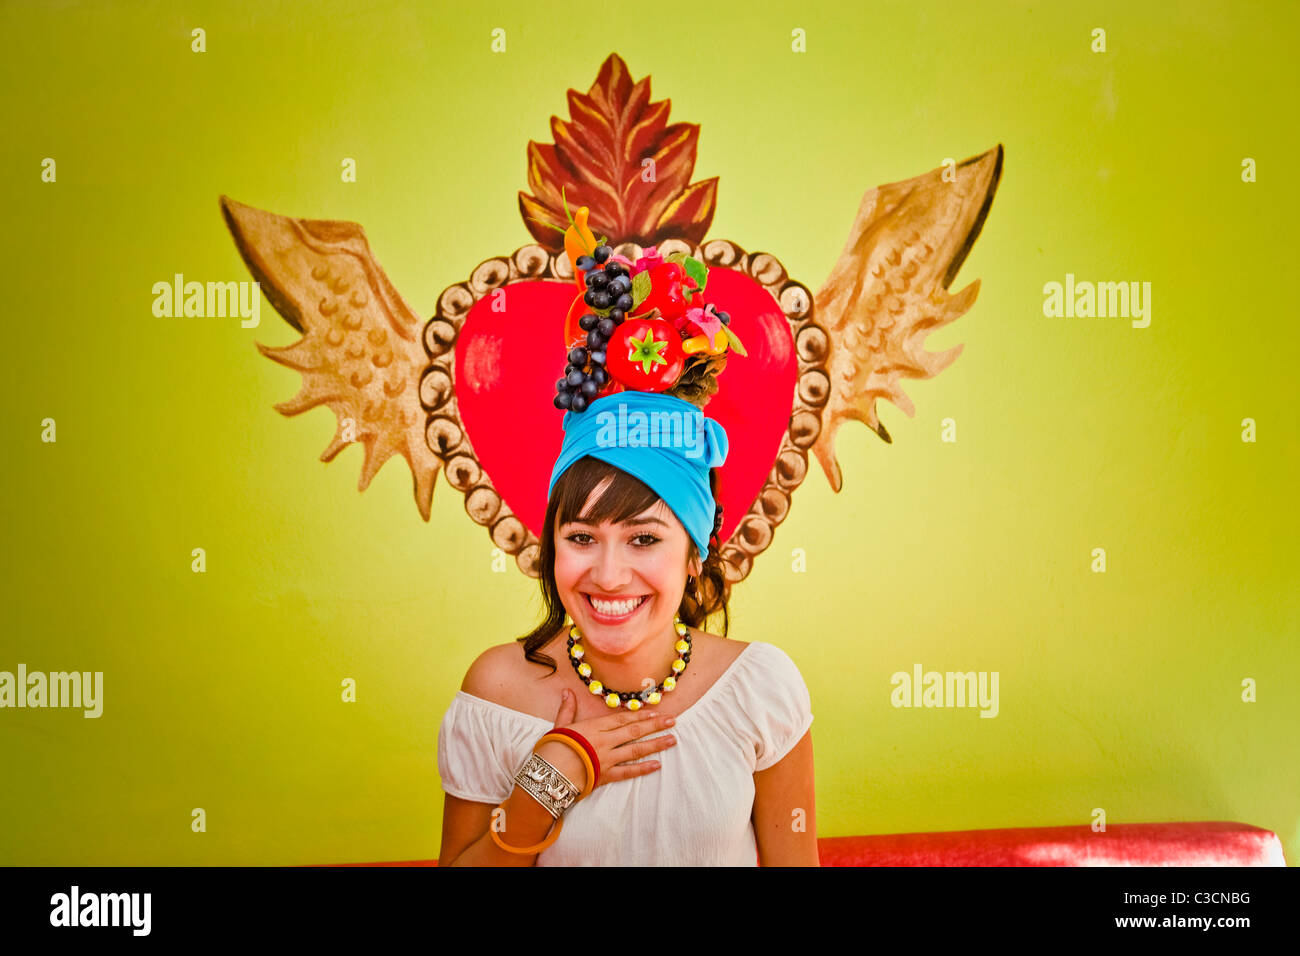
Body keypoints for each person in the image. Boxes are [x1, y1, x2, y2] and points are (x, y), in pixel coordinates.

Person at [436, 232, 817, 866]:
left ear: (695, 554)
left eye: (644, 538)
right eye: (582, 537)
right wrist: (548, 781)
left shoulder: (761, 689)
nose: (609, 575)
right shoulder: (497, 693)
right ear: (551, 546)